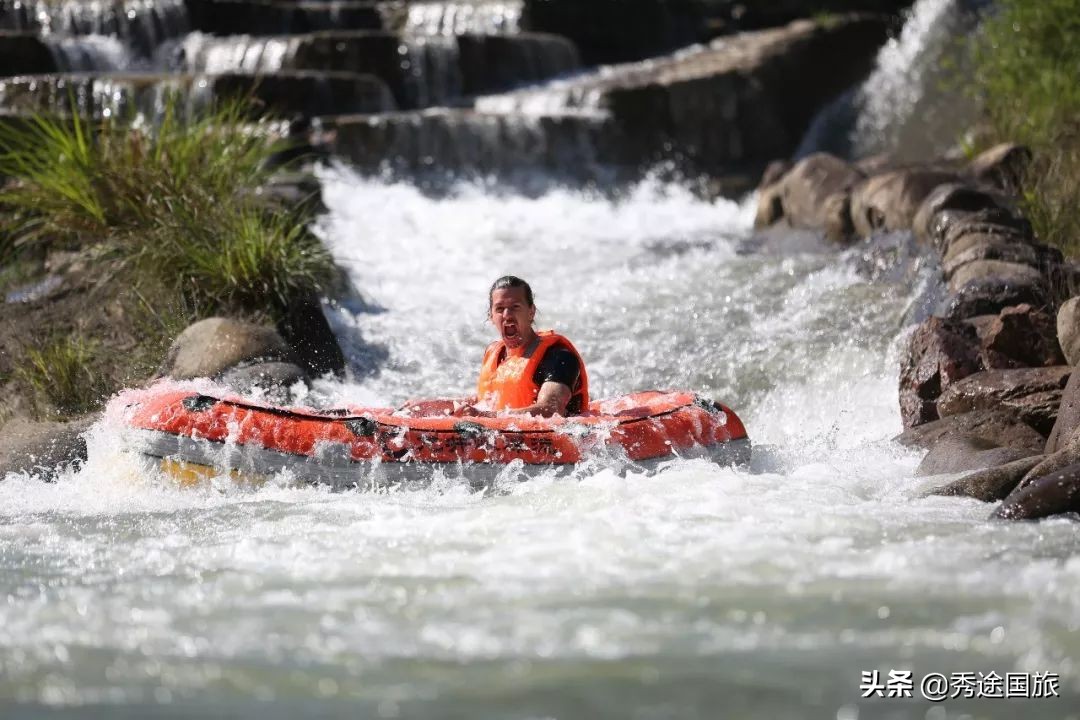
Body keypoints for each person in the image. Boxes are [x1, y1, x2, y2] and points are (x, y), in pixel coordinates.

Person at [401, 276, 589, 418]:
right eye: (499, 309)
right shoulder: (495, 354)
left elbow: (551, 410)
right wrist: (428, 406)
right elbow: (486, 402)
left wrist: (486, 419)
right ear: (491, 316)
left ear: (531, 312)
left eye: (515, 307)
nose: (506, 315)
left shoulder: (558, 357)